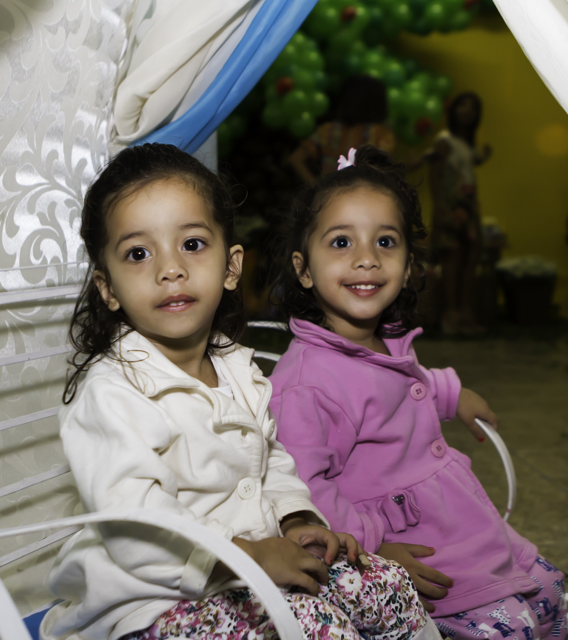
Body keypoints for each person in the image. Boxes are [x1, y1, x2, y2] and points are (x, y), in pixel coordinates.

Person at [40, 143, 440, 640]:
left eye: (191, 244)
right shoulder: (111, 394)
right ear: (109, 288)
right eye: (139, 254)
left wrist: (295, 519)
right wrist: (248, 557)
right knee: (315, 623)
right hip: (148, 606)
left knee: (387, 585)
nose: (171, 269)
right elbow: (137, 529)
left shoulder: (234, 366)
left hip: (250, 572)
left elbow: (269, 460)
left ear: (231, 267)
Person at [268, 145, 567, 640]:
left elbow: (406, 384)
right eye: (341, 243)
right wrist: (371, 549)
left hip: (455, 523)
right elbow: (303, 489)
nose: (366, 259)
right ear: (303, 268)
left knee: (551, 590)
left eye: (385, 241)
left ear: (408, 266)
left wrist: (452, 393)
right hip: (408, 545)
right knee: (508, 627)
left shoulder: (382, 338)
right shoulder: (306, 382)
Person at [416, 92, 492, 334]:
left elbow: (467, 164)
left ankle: (465, 313)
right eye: (462, 106)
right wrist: (439, 207)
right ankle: (451, 316)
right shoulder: (444, 140)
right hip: (451, 206)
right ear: (453, 110)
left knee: (470, 259)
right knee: (452, 259)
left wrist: (482, 158)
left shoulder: (466, 143)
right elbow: (435, 173)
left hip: (468, 208)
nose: (467, 112)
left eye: (472, 108)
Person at [289, 75, 396, 184]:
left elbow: (295, 158)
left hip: (330, 195)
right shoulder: (381, 134)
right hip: (363, 196)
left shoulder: (328, 129)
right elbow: (385, 170)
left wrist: (315, 185)